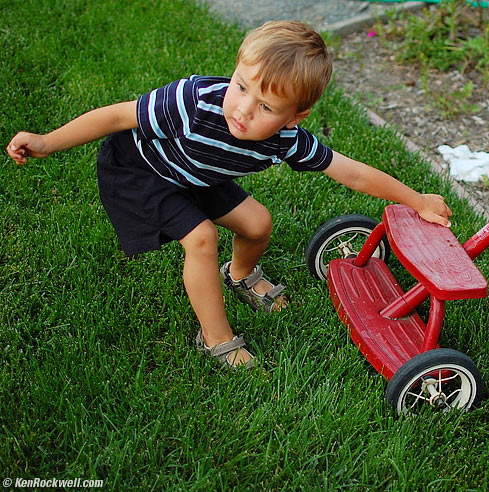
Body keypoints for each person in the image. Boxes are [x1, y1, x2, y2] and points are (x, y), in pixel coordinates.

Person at [6, 20, 452, 370]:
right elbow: (115, 117)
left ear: (295, 117)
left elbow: (351, 173)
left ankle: (240, 274)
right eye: (242, 86)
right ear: (235, 68)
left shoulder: (287, 140)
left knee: (258, 224)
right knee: (200, 237)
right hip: (141, 170)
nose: (242, 108)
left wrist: (417, 200)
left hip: (196, 176)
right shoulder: (192, 101)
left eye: (266, 107)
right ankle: (215, 338)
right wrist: (47, 142)